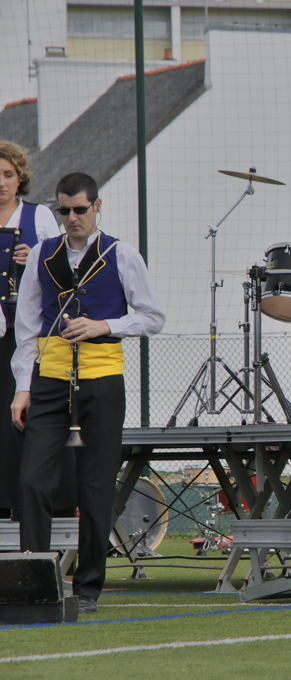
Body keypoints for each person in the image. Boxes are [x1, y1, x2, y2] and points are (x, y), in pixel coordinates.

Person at [11, 172, 165, 612]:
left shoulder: (120, 253)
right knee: (32, 482)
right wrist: (23, 389)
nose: (73, 218)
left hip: (101, 380)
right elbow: (27, 330)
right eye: (65, 210)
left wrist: (105, 326)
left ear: (98, 206)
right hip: (50, 380)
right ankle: (33, 579)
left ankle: (89, 588)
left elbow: (153, 317)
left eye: (81, 209)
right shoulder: (43, 253)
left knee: (95, 486)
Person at [0, 141, 62, 520]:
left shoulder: (37, 217)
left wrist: (33, 255)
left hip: (25, 333)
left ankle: (25, 502)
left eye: (7, 175)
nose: (1, 183)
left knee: (21, 416)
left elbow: (59, 267)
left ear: (20, 177)